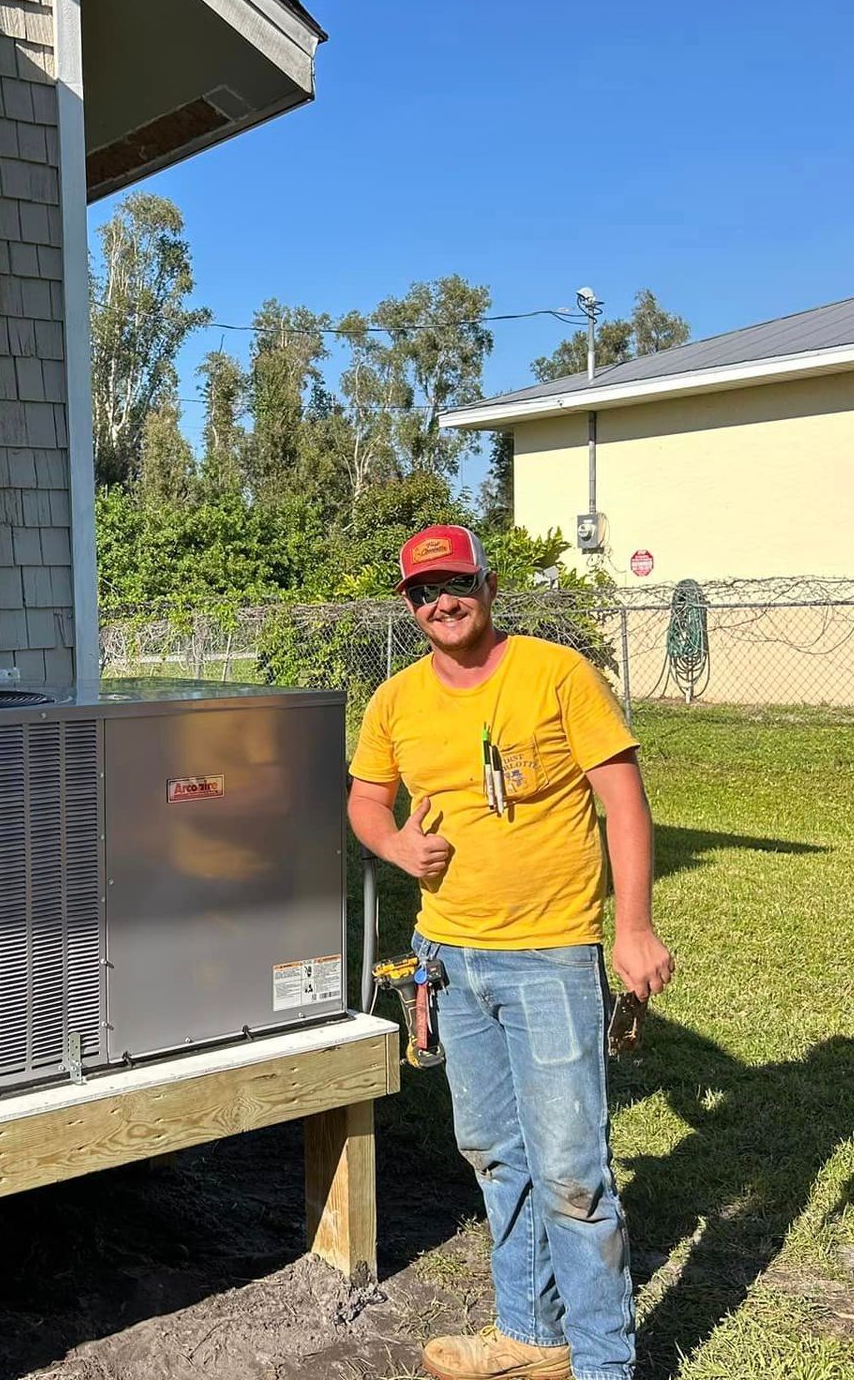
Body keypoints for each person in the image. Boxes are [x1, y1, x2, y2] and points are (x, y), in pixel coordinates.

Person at [346, 524, 674, 1380]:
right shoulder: (396, 701)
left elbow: (626, 806)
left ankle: (607, 1364)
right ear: (408, 605)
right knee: (496, 1154)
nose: (441, 603)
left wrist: (633, 926)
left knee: (573, 1174)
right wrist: (394, 848)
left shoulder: (557, 675)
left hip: (552, 956)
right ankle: (532, 1339)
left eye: (455, 583)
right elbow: (365, 802)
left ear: (488, 586)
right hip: (450, 958)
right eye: (423, 592)